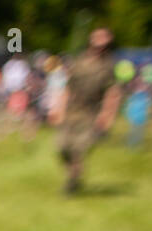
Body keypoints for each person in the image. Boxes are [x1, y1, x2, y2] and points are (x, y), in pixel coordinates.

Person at [51, 27, 121, 193]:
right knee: (61, 147)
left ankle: (73, 180)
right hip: (72, 111)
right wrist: (58, 109)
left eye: (105, 40)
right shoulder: (79, 61)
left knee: (79, 148)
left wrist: (107, 116)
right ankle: (73, 173)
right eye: (98, 38)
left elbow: (112, 93)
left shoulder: (108, 66)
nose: (100, 43)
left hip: (91, 114)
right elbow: (68, 88)